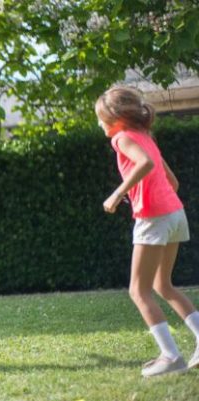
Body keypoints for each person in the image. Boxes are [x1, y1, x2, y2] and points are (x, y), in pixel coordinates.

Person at [97, 86, 199, 377]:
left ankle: (170, 356)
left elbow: (145, 164)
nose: (100, 124)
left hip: (154, 218)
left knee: (138, 290)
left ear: (116, 118)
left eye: (101, 118)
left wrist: (117, 194)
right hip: (175, 213)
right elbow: (173, 182)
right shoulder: (146, 138)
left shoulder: (122, 138)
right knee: (163, 286)